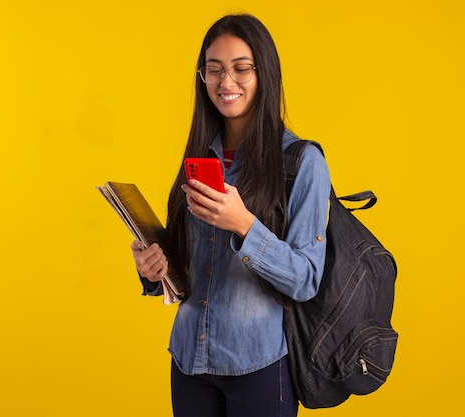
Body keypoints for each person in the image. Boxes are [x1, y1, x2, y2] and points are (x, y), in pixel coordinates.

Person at [131, 14, 330, 417]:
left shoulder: (301, 162)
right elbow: (189, 267)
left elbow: (306, 278)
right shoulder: (199, 158)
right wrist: (154, 270)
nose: (226, 83)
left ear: (265, 74)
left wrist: (244, 224)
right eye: (214, 70)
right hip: (189, 361)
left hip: (257, 364)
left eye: (241, 69)